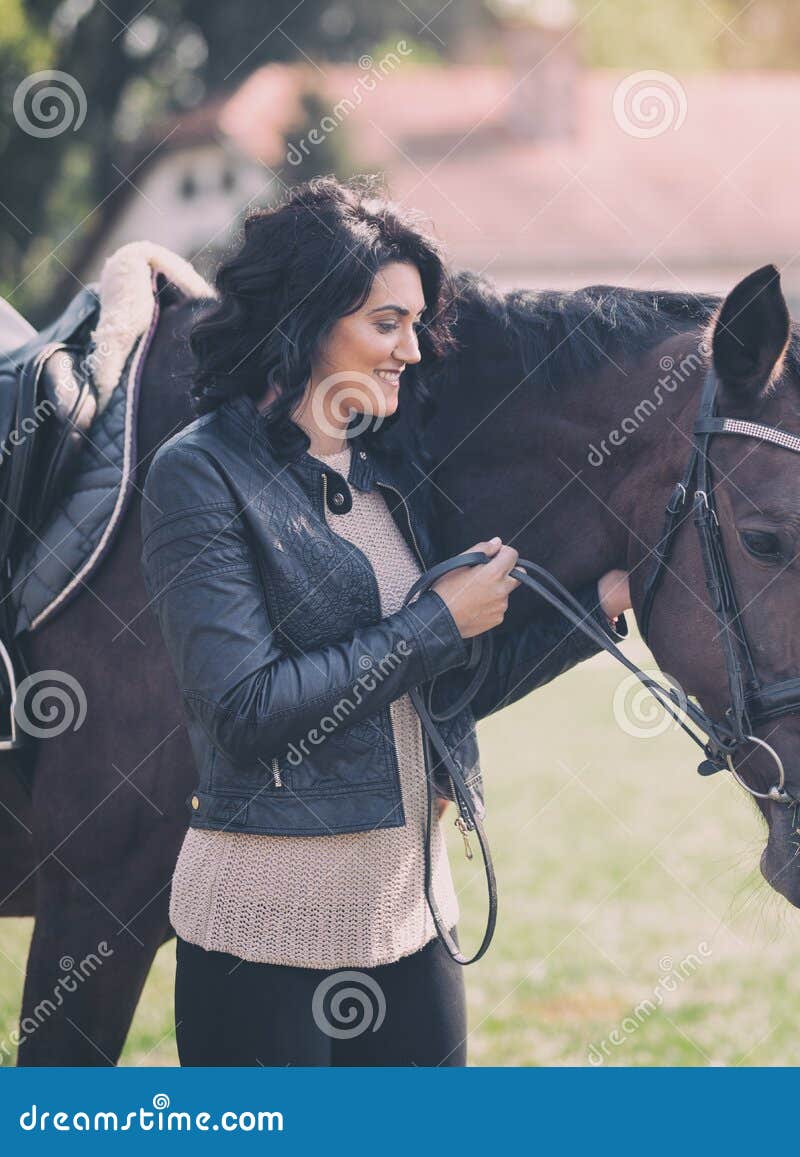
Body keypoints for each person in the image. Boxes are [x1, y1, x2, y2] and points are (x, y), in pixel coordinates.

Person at [139, 178, 630, 1066]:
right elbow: (243, 711)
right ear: (306, 318)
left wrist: (592, 614)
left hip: (413, 917)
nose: (412, 347)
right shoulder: (198, 475)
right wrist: (436, 622)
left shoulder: (385, 472)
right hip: (265, 937)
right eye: (385, 322)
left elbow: (445, 693)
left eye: (414, 322)